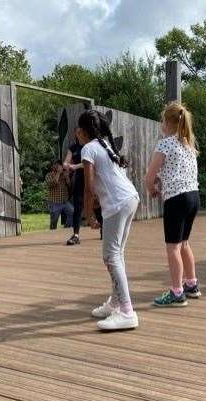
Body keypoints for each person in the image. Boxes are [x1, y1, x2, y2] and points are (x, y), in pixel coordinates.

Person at [78, 109, 140, 331]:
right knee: (117, 254)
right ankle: (116, 302)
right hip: (130, 197)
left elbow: (88, 188)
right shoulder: (104, 144)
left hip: (117, 204)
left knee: (110, 256)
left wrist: (89, 215)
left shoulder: (88, 148)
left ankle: (126, 311)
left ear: (82, 131)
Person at [145, 102, 200, 307]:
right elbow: (176, 172)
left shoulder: (165, 143)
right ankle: (191, 284)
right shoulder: (188, 144)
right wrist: (161, 181)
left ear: (167, 122)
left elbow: (149, 176)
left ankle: (177, 292)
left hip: (176, 199)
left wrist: (152, 189)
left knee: (173, 248)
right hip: (193, 196)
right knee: (184, 243)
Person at [63, 131, 84, 245]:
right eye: (77, 132)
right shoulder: (73, 147)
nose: (79, 134)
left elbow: (89, 163)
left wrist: (75, 166)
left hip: (92, 178)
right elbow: (66, 162)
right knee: (78, 207)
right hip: (79, 179)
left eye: (81, 132)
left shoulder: (90, 146)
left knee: (97, 204)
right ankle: (76, 235)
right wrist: (67, 165)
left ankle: (103, 227)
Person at [45, 160, 73, 230]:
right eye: (56, 165)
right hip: (54, 202)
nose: (58, 167)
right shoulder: (49, 175)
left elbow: (69, 185)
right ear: (53, 166)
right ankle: (52, 235)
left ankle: (66, 228)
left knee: (73, 214)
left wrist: (67, 177)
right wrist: (58, 173)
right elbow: (53, 184)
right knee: (54, 222)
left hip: (65, 202)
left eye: (59, 165)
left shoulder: (64, 174)